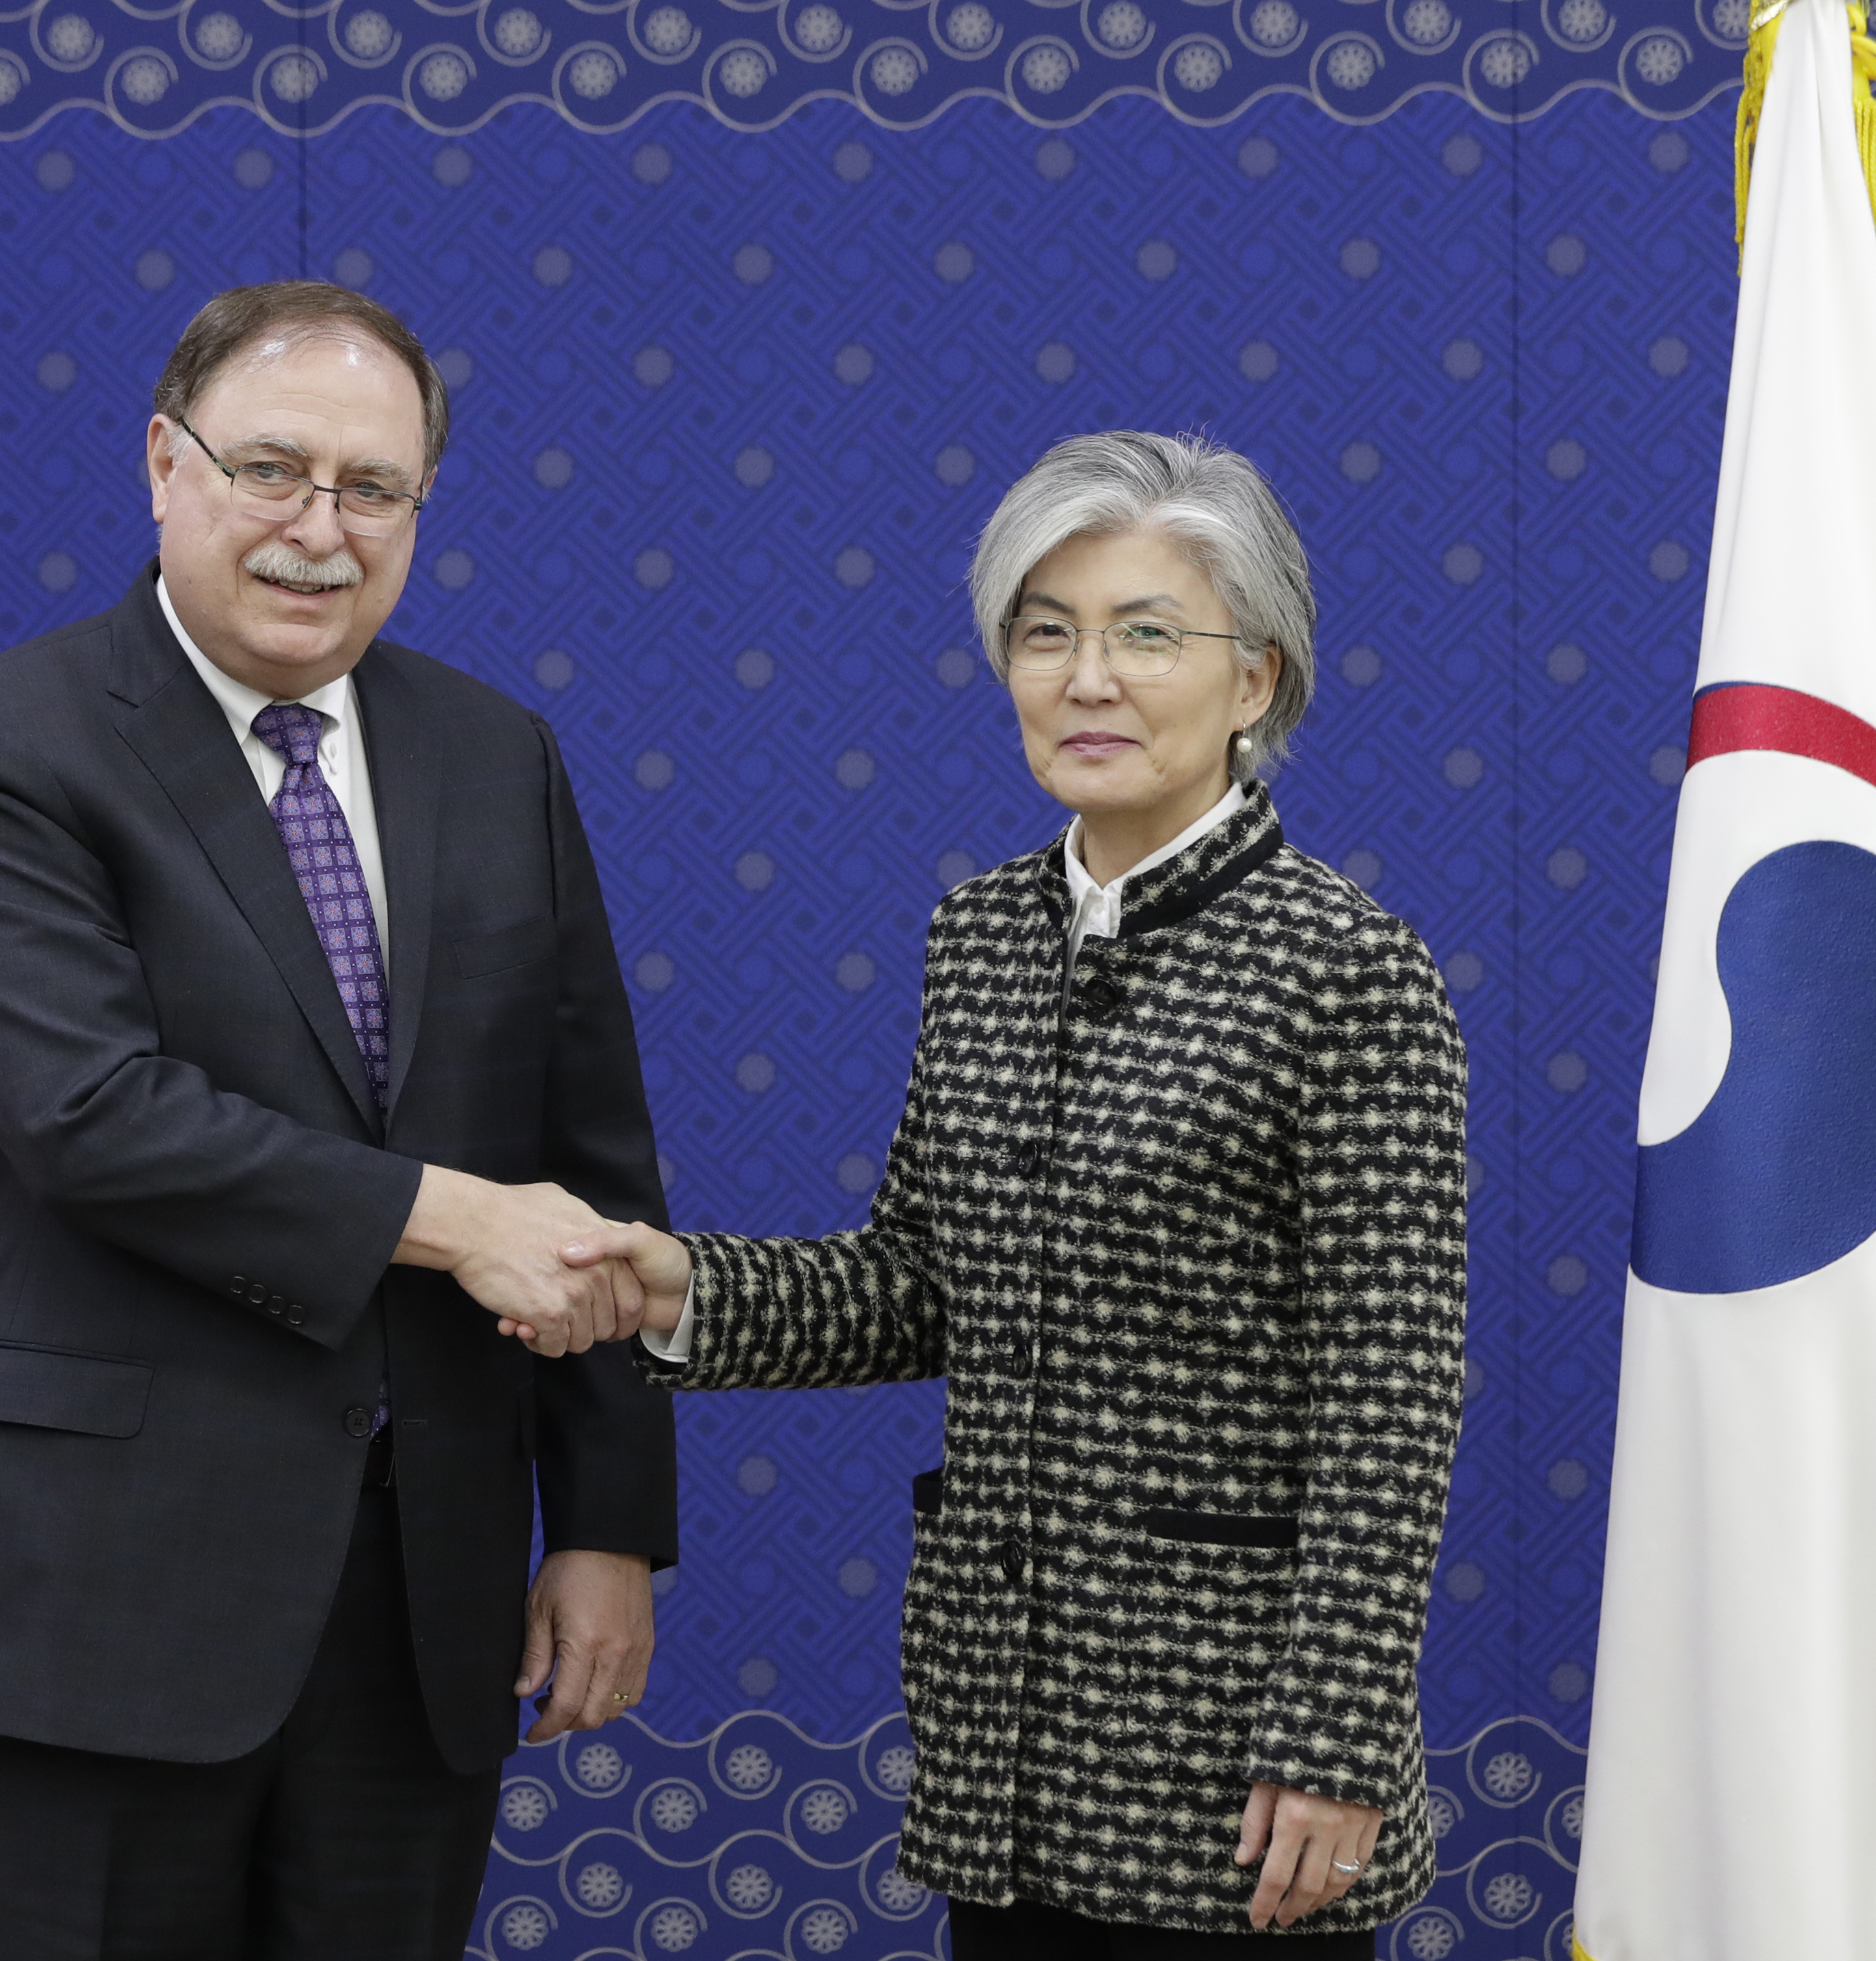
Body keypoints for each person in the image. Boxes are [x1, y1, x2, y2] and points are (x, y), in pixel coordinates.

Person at [0, 282, 673, 1960]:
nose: (317, 529)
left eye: (373, 488)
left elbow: (589, 1161)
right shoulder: (4, 746)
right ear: (165, 461)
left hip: (412, 1617)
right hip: (78, 1610)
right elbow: (95, 1115)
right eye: (271, 469)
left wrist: (604, 1518)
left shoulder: (497, 756)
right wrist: (448, 1214)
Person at [562, 431, 1467, 1956]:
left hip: (1235, 1759)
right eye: (1045, 633)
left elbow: (1393, 1394)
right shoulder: (981, 935)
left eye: (1145, 633)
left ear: (1256, 681)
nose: (1086, 678)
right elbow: (922, 1279)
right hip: (1004, 1746)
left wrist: (1334, 1735)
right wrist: (676, 1289)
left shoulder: (1348, 969)